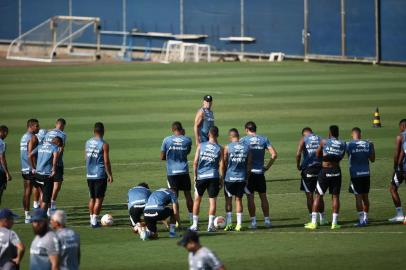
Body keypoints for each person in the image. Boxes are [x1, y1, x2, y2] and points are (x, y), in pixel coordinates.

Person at [305, 125, 346, 230]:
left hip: (325, 171)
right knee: (335, 197)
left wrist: (325, 156)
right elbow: (341, 156)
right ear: (338, 133)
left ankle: (314, 222)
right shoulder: (343, 143)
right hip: (336, 171)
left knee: (318, 195)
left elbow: (318, 153)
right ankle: (334, 223)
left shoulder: (324, 142)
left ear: (329, 133)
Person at [240, 121, 277, 229]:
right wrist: (266, 167)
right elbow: (274, 155)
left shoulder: (243, 140)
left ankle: (254, 222)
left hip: (249, 174)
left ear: (247, 129)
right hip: (260, 173)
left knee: (250, 198)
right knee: (263, 197)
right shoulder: (264, 139)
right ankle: (267, 221)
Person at [190, 126, 224, 232]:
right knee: (212, 202)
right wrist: (221, 179)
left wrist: (195, 176)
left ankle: (195, 225)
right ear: (217, 135)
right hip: (213, 177)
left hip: (201, 177)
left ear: (208, 134)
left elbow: (195, 163)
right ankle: (210, 226)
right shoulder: (220, 148)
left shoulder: (201, 146)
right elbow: (221, 165)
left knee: (197, 200)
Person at [161, 121, 193, 222]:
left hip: (172, 173)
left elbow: (162, 157)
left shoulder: (167, 140)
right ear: (182, 129)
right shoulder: (187, 139)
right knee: (188, 195)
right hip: (184, 171)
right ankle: (192, 218)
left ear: (172, 130)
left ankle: (177, 220)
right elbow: (187, 152)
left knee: (174, 198)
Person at [295, 127, 327, 225]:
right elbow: (326, 153)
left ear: (303, 134)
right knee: (319, 195)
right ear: (312, 132)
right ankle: (323, 219)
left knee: (309, 195)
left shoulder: (304, 139)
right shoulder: (320, 138)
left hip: (308, 169)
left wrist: (298, 166)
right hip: (320, 169)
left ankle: (312, 220)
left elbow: (298, 154)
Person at [85, 122, 113, 228]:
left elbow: (86, 157)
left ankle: (91, 219)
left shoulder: (87, 142)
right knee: (99, 199)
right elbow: (106, 161)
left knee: (92, 198)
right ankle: (94, 221)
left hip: (89, 174)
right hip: (100, 174)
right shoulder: (104, 144)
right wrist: (109, 174)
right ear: (103, 131)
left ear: (94, 131)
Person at [223, 128, 251, 232]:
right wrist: (247, 178)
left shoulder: (227, 147)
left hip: (229, 178)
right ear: (238, 136)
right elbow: (249, 164)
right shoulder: (247, 148)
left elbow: (224, 162)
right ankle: (239, 225)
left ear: (230, 137)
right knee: (238, 200)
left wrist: (224, 175)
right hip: (241, 178)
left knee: (228, 200)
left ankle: (229, 224)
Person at [347, 127, 375, 227]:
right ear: (360, 134)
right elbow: (372, 159)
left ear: (352, 134)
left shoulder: (349, 144)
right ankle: (366, 218)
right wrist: (372, 147)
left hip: (355, 174)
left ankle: (361, 220)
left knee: (358, 197)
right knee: (365, 197)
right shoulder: (368, 144)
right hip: (366, 174)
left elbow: (347, 155)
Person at [35, 137, 63, 215]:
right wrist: (54, 169)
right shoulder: (54, 147)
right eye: (59, 145)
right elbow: (55, 160)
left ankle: (41, 213)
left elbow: (30, 155)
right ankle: (42, 217)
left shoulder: (41, 145)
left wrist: (33, 167)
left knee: (42, 194)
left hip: (37, 174)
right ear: (57, 143)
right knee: (46, 199)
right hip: (47, 175)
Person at [44, 118, 67, 211]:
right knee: (57, 183)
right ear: (63, 125)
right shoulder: (62, 134)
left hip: (45, 162)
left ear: (56, 124)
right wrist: (57, 159)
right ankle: (52, 203)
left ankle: (41, 204)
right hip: (57, 162)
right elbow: (61, 149)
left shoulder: (47, 133)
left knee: (46, 185)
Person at [20, 119, 40, 223]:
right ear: (31, 126)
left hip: (24, 168)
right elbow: (30, 155)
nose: (38, 128)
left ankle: (27, 215)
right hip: (31, 169)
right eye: (37, 126)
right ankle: (42, 215)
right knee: (43, 190)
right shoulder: (33, 138)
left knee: (27, 191)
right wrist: (34, 168)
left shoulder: (23, 137)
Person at [388, 119, 406, 223]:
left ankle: (400, 215)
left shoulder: (400, 137)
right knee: (393, 188)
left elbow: (397, 153)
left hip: (402, 168)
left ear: (403, 126)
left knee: (393, 188)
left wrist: (395, 165)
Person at [32, 129, 48, 209]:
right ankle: (42, 211)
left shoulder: (38, 145)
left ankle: (35, 204)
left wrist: (33, 167)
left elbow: (30, 155)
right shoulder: (48, 146)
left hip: (36, 171)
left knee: (36, 187)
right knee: (43, 193)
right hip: (44, 171)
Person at [0, 126, 12, 205]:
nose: (6, 134)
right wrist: (7, 173)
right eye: (6, 132)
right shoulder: (1, 143)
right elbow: (2, 158)